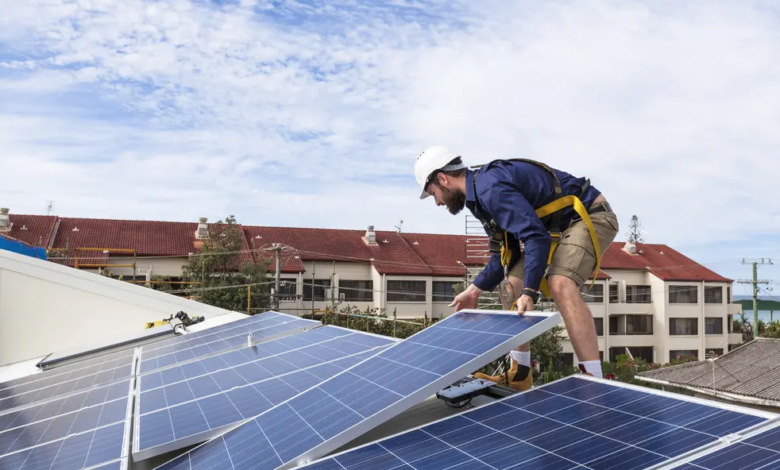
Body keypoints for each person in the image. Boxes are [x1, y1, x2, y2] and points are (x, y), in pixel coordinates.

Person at [414, 146, 619, 387]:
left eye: (433, 193)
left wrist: (529, 292)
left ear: (442, 178)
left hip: (589, 215)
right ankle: (520, 373)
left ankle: (593, 383)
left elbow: (535, 237)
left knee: (560, 283)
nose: (437, 202)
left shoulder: (490, 188)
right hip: (552, 229)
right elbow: (505, 255)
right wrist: (474, 290)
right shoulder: (478, 198)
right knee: (510, 285)